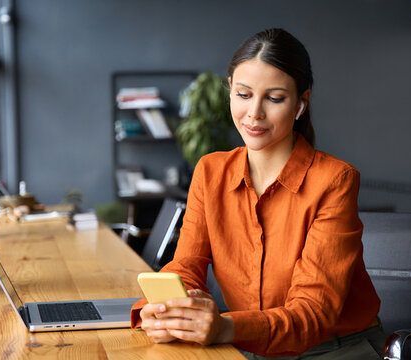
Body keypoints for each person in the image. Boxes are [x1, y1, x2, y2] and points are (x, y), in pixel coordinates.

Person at [130, 28, 383, 359]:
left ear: (300, 104)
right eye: (244, 94)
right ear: (230, 91)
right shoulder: (210, 172)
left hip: (334, 349)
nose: (254, 114)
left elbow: (312, 312)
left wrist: (226, 327)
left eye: (274, 98)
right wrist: (163, 308)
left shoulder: (334, 181)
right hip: (249, 346)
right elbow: (188, 264)